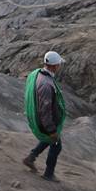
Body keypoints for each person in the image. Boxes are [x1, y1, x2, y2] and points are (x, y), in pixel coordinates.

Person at [23, 51, 67, 182]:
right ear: (53, 66)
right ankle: (48, 174)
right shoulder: (46, 84)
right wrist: (51, 129)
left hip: (42, 119)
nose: (59, 67)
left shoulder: (38, 74)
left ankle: (31, 157)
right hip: (45, 122)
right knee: (56, 144)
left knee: (49, 140)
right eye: (59, 64)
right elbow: (45, 110)